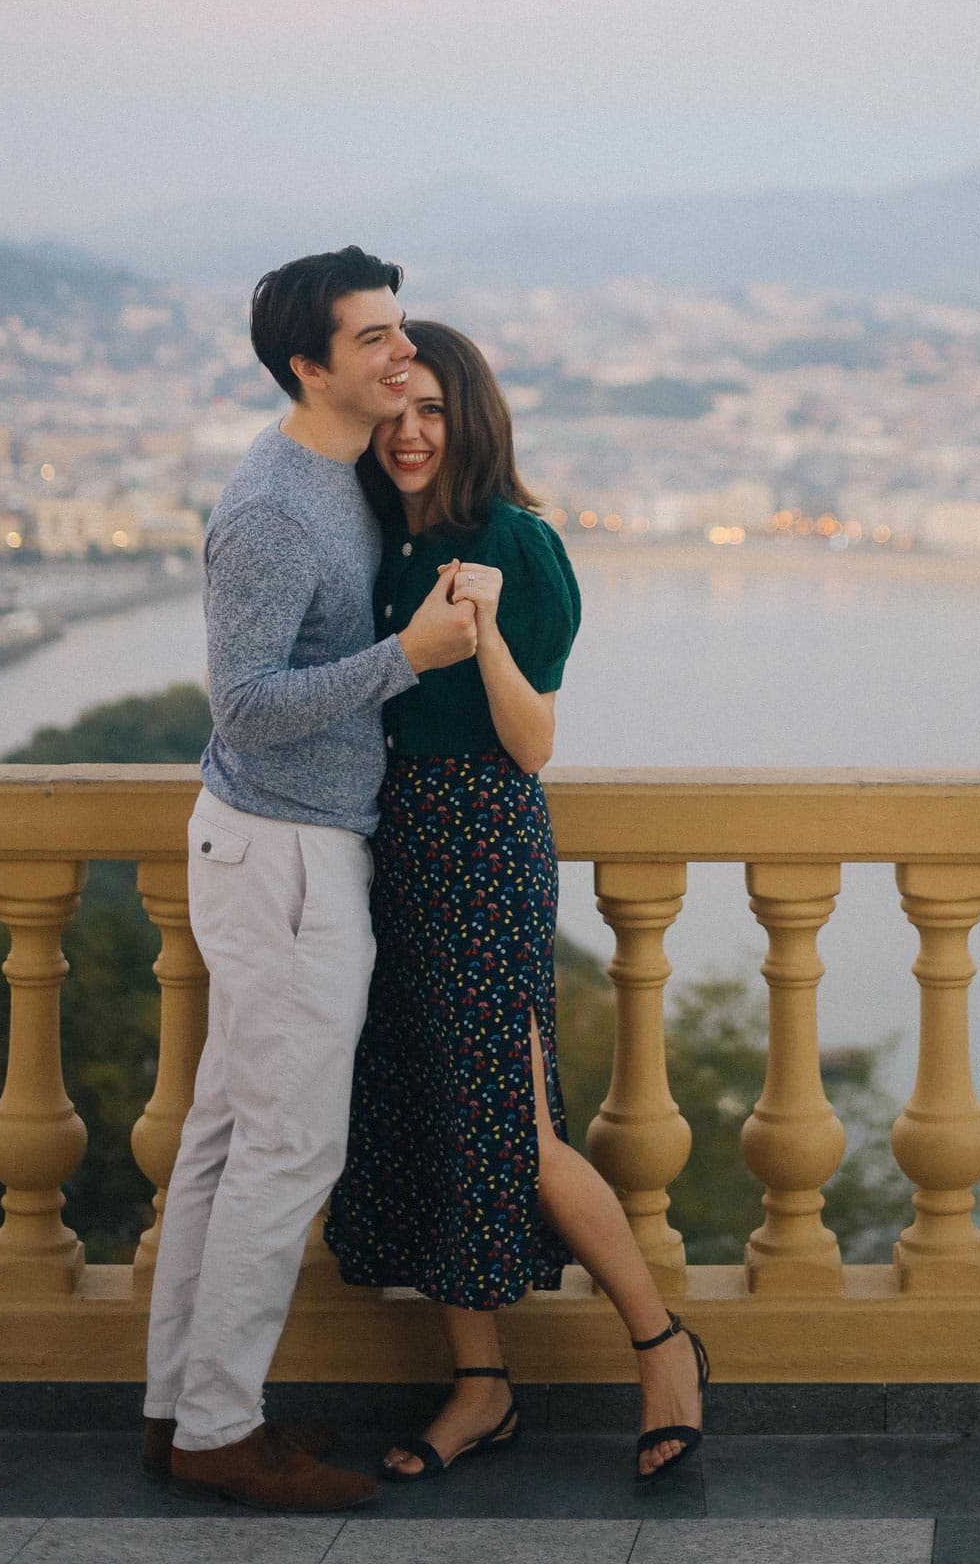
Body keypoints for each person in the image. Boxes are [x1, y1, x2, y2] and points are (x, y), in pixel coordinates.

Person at [325, 320, 709, 1485]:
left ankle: (662, 1345)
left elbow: (533, 743)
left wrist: (478, 629)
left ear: (474, 416)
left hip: (483, 840)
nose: (410, 434)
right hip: (388, 848)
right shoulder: (375, 542)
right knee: (429, 1109)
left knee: (514, 1127)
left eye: (433, 410)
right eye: (393, 412)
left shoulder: (518, 545)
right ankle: (480, 1386)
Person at [143, 248, 481, 1513]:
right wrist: (408, 655)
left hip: (282, 846)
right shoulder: (279, 505)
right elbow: (245, 705)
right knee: (286, 1149)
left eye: (402, 329)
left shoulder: (334, 478)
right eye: (376, 340)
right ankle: (224, 1430)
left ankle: (180, 1408)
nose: (404, 354)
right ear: (309, 366)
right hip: (284, 850)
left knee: (229, 1144)